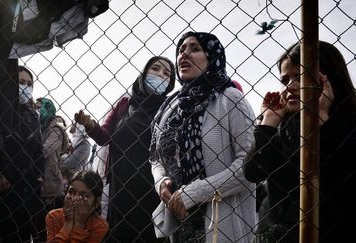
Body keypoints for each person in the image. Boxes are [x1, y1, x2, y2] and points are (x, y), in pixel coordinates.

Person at [149, 31, 256, 243]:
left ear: (212, 57)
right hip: (179, 219)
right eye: (181, 50)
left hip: (221, 220)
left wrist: (193, 193)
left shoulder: (230, 98)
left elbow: (249, 166)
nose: (184, 55)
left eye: (195, 49)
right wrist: (161, 181)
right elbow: (156, 157)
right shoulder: (170, 107)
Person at [244, 41, 356, 242]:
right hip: (275, 235)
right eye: (285, 80)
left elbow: (338, 173)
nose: (291, 87)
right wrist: (268, 122)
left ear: (328, 80)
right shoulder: (280, 129)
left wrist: (320, 118)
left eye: (301, 76)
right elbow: (254, 172)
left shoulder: (348, 124)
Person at [74, 56, 176, 242]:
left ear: (171, 83)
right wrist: (89, 125)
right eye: (155, 69)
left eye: (167, 73)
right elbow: (105, 138)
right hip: (120, 190)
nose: (160, 75)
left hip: (152, 188)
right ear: (144, 73)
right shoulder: (125, 104)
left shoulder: (169, 108)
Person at [0, 65, 47, 242]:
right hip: (3, 188)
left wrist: (39, 174)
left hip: (27, 189)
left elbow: (38, 150)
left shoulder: (33, 116)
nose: (25, 87)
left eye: (29, 84)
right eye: (20, 82)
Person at [45, 170, 109, 242]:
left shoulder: (100, 226)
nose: (75, 198)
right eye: (72, 192)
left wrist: (79, 223)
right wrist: (68, 223)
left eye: (84, 195)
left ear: (96, 202)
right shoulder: (54, 216)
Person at [36, 97, 70, 211]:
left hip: (51, 185)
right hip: (41, 182)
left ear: (48, 109)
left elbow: (43, 151)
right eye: (35, 108)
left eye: (39, 108)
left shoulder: (56, 130)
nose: (37, 111)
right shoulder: (41, 127)